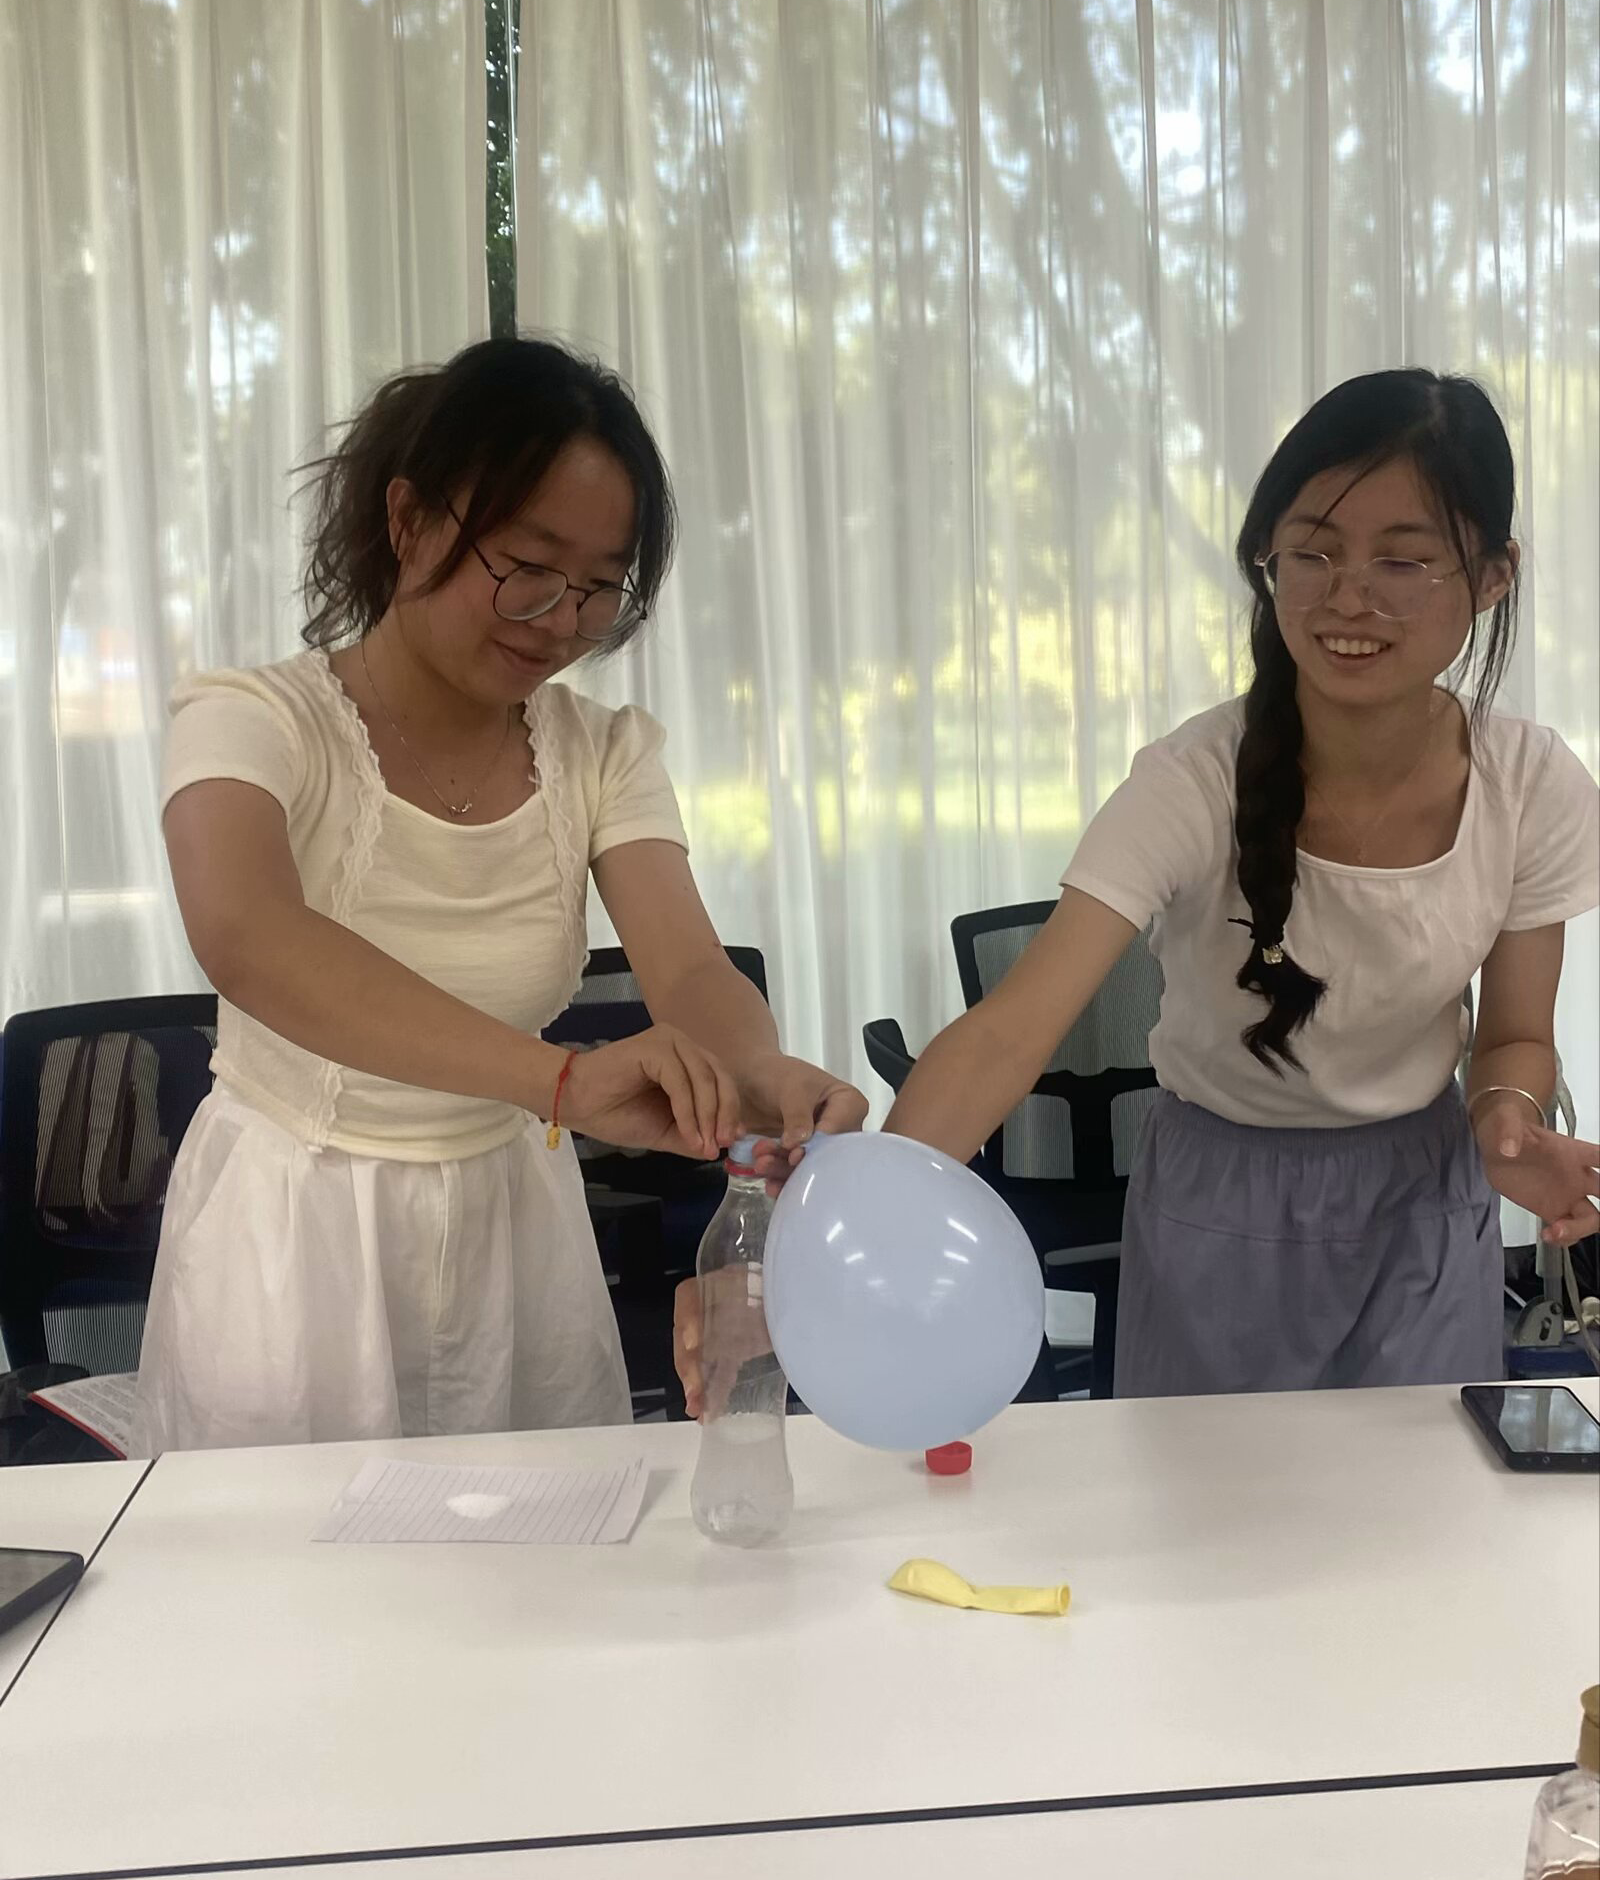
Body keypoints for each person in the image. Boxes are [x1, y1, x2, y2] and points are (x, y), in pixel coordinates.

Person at [138, 336, 866, 1451]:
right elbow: (247, 933)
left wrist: (753, 1072)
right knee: (289, 1551)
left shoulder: (601, 752)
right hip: (294, 1233)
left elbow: (685, 965)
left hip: (514, 1231)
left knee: (534, 1543)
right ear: (409, 520)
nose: (561, 620)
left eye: (601, 587)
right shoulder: (251, 719)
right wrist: (558, 1080)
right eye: (528, 566)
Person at [884, 370, 1600, 1397]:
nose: (1347, 597)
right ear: (1267, 557)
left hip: (1424, 1203)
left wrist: (1504, 1118)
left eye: (1401, 560)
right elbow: (1010, 1031)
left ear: (1491, 576)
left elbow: (1517, 1034)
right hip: (1218, 1202)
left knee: (1421, 1490)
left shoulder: (1531, 784)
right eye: (1312, 551)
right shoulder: (1190, 780)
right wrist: (863, 1217)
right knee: (1207, 1495)